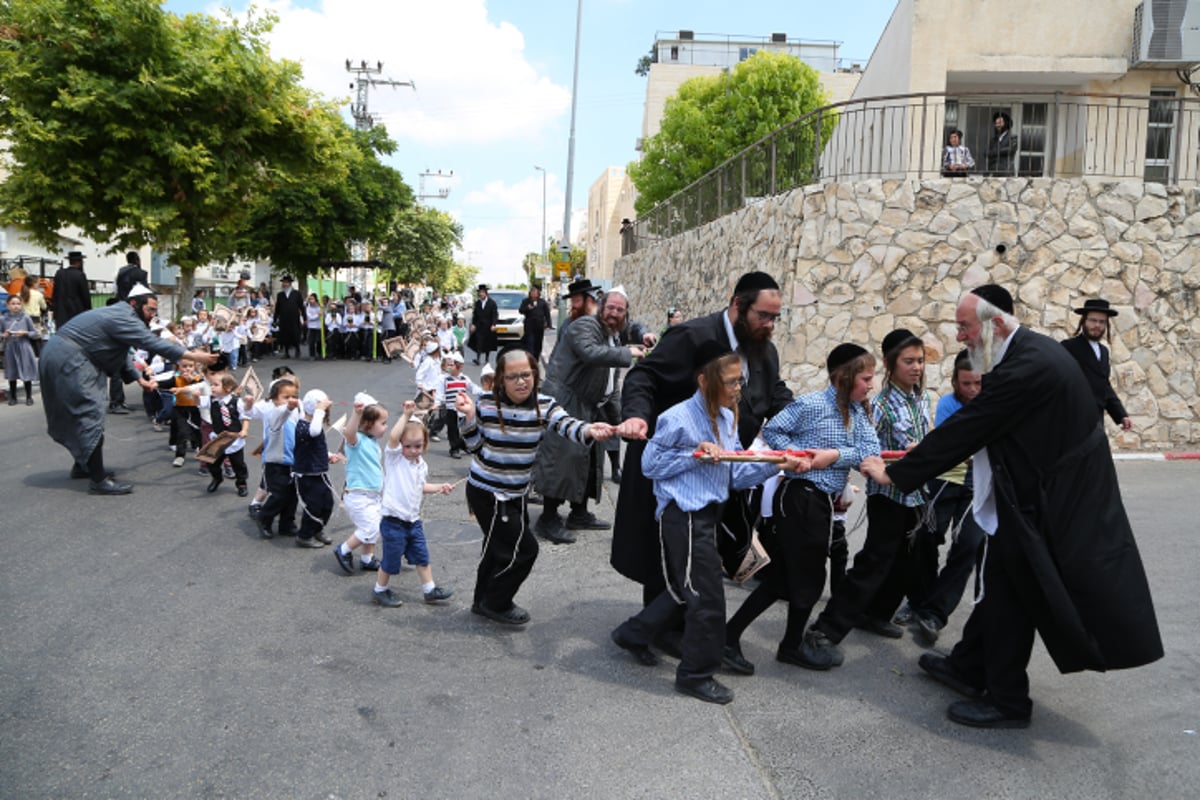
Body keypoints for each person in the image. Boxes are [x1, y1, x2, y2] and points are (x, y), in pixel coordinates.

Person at [860, 285, 1162, 729]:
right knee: (1003, 586)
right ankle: (968, 666)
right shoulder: (1022, 353)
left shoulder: (1027, 366)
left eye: (965, 327)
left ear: (994, 324)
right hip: (1032, 497)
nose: (959, 336)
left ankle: (1007, 702)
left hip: (1052, 504)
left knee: (1011, 597)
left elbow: (971, 426)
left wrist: (897, 473)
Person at [610, 344, 807, 705]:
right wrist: (695, 455)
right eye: (730, 382)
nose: (737, 390)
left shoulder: (727, 419)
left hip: (709, 516)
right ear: (704, 381)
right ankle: (695, 675)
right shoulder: (677, 418)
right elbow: (650, 466)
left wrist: (777, 463)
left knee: (683, 589)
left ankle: (633, 634)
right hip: (682, 517)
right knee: (706, 598)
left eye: (740, 382)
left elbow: (734, 474)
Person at [613, 271, 794, 611]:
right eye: (764, 315)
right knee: (664, 554)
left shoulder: (762, 349)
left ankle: (674, 627)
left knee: (701, 561)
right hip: (675, 472)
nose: (770, 325)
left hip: (721, 473)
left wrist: (800, 423)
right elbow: (644, 375)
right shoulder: (692, 336)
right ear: (738, 305)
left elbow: (774, 391)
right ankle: (655, 630)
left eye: (775, 317)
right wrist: (636, 414)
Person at [724, 344, 880, 673]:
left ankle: (743, 638)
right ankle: (785, 645)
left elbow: (870, 451)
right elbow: (774, 430)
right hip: (801, 498)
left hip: (821, 501)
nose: (871, 384)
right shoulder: (811, 404)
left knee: (783, 577)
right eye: (866, 378)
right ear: (844, 377)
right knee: (807, 577)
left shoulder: (860, 411)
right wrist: (799, 456)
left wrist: (833, 456)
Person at [457, 348, 615, 626]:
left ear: (535, 374)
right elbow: (473, 447)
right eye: (513, 376)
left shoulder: (545, 405)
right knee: (524, 550)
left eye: (526, 375)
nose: (521, 382)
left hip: (516, 492)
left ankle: (482, 601)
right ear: (500, 380)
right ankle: (496, 602)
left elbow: (568, 425)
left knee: (496, 547)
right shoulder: (484, 403)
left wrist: (590, 430)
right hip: (487, 492)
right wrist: (469, 418)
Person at [803, 331, 931, 660]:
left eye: (920, 360)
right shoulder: (881, 405)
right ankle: (825, 629)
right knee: (873, 563)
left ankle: (875, 614)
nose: (916, 367)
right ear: (889, 364)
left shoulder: (921, 398)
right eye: (908, 361)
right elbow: (861, 448)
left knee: (905, 562)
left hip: (916, 496)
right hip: (887, 495)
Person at [39, 284, 217, 494]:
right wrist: (194, 356)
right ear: (134, 304)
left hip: (64, 355)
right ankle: (97, 480)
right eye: (150, 309)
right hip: (70, 359)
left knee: (83, 416)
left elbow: (122, 352)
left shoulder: (121, 315)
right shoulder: (124, 316)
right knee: (90, 415)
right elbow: (152, 343)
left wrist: (138, 379)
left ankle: (84, 466)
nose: (152, 315)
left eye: (155, 311)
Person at [533, 282, 644, 544]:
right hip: (566, 401)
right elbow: (590, 353)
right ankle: (547, 518)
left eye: (620, 310)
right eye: (611, 307)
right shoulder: (584, 325)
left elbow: (634, 329)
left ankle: (579, 513)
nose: (614, 313)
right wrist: (628, 353)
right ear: (601, 306)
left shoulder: (613, 332)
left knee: (590, 460)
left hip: (590, 404)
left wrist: (645, 334)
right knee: (563, 459)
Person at [895, 350, 985, 646]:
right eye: (966, 384)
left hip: (977, 484)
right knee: (925, 538)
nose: (972, 390)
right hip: (945, 479)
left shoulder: (994, 405)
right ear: (955, 383)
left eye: (978, 384)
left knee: (968, 545)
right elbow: (955, 444)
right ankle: (919, 600)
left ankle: (934, 613)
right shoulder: (948, 404)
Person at [372, 400, 456, 607]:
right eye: (407, 446)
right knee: (391, 561)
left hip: (413, 521)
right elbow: (392, 438)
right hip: (393, 522)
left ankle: (429, 590)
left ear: (425, 444)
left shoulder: (421, 466)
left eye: (418, 446)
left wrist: (439, 487)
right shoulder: (394, 459)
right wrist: (405, 415)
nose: (412, 450)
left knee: (422, 556)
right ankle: (379, 589)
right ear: (400, 446)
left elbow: (421, 487)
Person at [333, 394, 389, 574]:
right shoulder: (356, 441)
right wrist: (356, 414)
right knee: (369, 527)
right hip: (358, 496)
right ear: (368, 424)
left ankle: (367, 559)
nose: (385, 427)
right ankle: (343, 550)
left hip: (372, 495)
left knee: (374, 527)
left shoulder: (373, 442)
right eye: (383, 423)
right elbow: (348, 433)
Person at [1062, 298, 1132, 431]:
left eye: (1102, 322)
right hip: (1073, 422)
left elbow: (1104, 386)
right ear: (1084, 321)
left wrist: (1121, 415)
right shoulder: (1068, 347)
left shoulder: (1104, 352)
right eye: (1093, 320)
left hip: (1096, 422)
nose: (1097, 325)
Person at [251, 378, 300, 539]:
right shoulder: (275, 415)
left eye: (294, 396)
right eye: (286, 397)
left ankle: (287, 524)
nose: (291, 400)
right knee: (279, 494)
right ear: (274, 399)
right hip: (275, 463)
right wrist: (288, 407)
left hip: (292, 463)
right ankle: (264, 518)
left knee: (292, 495)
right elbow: (281, 413)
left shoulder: (294, 415)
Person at [293, 389, 340, 549]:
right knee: (313, 505)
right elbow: (314, 432)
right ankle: (304, 535)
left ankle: (317, 528)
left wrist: (328, 455)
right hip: (307, 474)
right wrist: (319, 410)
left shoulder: (315, 425)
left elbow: (315, 446)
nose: (325, 413)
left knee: (327, 503)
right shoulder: (304, 426)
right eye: (322, 410)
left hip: (319, 471)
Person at [204, 373, 250, 497]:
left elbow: (245, 417)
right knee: (211, 462)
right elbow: (198, 402)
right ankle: (217, 478)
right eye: (211, 385)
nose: (212, 387)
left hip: (234, 440)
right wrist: (195, 396)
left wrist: (244, 430)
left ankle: (241, 483)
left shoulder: (237, 402)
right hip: (218, 438)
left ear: (228, 388)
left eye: (216, 385)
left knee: (238, 464)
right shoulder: (211, 400)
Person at [2, 294, 40, 406]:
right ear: (7, 305)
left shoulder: (25, 317)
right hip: (10, 348)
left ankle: (29, 396)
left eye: (18, 304)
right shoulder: (3, 319)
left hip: (24, 347)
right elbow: (1, 333)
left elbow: (34, 333)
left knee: (26, 371)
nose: (16, 306)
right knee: (12, 373)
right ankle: (13, 397)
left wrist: (25, 333)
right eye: (13, 304)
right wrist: (4, 334)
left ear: (21, 305)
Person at [51, 251, 91, 330]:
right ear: (79, 262)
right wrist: (88, 310)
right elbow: (85, 296)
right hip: (76, 312)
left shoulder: (59, 273)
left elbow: (54, 294)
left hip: (61, 312)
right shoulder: (80, 275)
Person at [518, 285, 553, 360]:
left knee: (538, 343)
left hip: (539, 326)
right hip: (529, 326)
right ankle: (530, 358)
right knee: (530, 342)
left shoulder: (542, 302)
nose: (533, 294)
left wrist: (549, 325)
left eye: (535, 292)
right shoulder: (526, 301)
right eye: (532, 292)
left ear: (538, 293)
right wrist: (527, 308)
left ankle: (536, 358)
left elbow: (547, 314)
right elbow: (521, 310)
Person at [273, 276, 304, 359]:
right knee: (284, 335)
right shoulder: (280, 295)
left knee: (295, 334)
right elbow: (277, 308)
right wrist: (275, 319)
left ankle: (297, 349)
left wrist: (304, 317)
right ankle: (286, 352)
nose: (285, 284)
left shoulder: (296, 294)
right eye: (284, 282)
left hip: (294, 317)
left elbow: (301, 306)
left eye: (286, 282)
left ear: (290, 283)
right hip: (284, 318)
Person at [468, 284, 498, 365]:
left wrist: (494, 324)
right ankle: (478, 359)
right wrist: (473, 324)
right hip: (479, 326)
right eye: (480, 292)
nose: (481, 294)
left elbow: (495, 315)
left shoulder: (492, 303)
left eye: (482, 292)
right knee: (478, 342)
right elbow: (475, 315)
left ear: (485, 293)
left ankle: (487, 359)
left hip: (488, 326)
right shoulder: (477, 303)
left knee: (487, 343)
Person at [984, 112, 1018, 176]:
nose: (997, 125)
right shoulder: (993, 139)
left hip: (1006, 172)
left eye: (1000, 123)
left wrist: (995, 151)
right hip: (993, 172)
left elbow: (1011, 149)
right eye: (996, 123)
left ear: (1006, 124)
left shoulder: (1012, 137)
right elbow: (986, 152)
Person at [304, 293, 323, 360]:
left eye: (312, 299)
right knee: (311, 341)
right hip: (311, 327)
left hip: (318, 326)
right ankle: (312, 355)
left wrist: (322, 310)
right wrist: (318, 315)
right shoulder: (308, 307)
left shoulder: (319, 306)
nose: (311, 300)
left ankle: (320, 353)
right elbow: (310, 317)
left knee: (319, 341)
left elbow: (323, 315)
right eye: (310, 299)